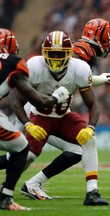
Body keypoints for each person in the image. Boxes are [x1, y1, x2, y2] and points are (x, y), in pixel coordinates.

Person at [0, 18, 110, 206]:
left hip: (59, 112)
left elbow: (75, 80)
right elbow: (28, 94)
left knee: (25, 154)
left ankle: (28, 185)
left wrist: (91, 126)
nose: (56, 60)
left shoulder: (79, 64)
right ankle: (17, 186)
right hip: (36, 108)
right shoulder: (52, 62)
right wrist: (29, 122)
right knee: (22, 152)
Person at [0, 28, 69, 210]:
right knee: (21, 146)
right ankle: (5, 197)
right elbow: (34, 98)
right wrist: (56, 98)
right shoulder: (14, 62)